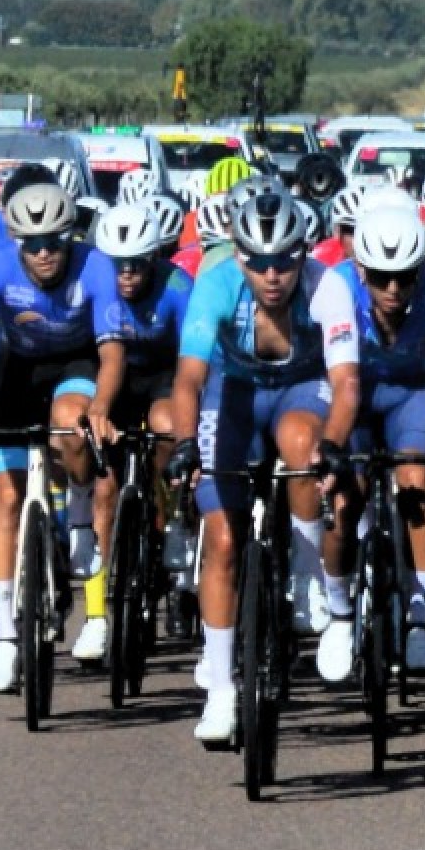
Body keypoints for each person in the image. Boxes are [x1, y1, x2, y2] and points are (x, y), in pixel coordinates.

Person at [0, 178, 126, 695]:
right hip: (16, 365)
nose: (45, 254)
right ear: (17, 241)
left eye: (54, 243)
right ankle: (5, 638)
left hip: (75, 361)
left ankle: (80, 518)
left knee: (72, 424)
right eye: (33, 244)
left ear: (70, 238)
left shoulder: (96, 266)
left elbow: (112, 353)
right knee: (6, 495)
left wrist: (101, 408)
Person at [168, 182, 339, 745]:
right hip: (234, 393)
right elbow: (189, 378)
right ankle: (220, 690)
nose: (272, 275)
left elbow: (346, 378)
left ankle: (307, 574)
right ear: (238, 256)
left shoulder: (324, 287)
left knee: (302, 443)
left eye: (284, 261)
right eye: (259, 262)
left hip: (300, 390)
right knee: (222, 540)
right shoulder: (216, 284)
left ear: (302, 255)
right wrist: (187, 443)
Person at [312, 195, 425, 675]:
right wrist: (331, 448)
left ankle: (421, 617)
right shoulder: (337, 285)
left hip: (412, 393)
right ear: (361, 269)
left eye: (405, 276)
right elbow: (342, 383)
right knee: (344, 500)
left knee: (418, 476)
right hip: (353, 396)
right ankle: (339, 611)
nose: (394, 289)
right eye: (382, 277)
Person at [76, 198, 193, 664]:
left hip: (163, 378)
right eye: (118, 265)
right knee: (104, 489)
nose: (127, 275)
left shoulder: (177, 286)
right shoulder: (95, 285)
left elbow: (193, 360)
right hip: (114, 380)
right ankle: (96, 611)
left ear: (154, 259)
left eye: (138, 264)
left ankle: (172, 511)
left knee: (166, 428)